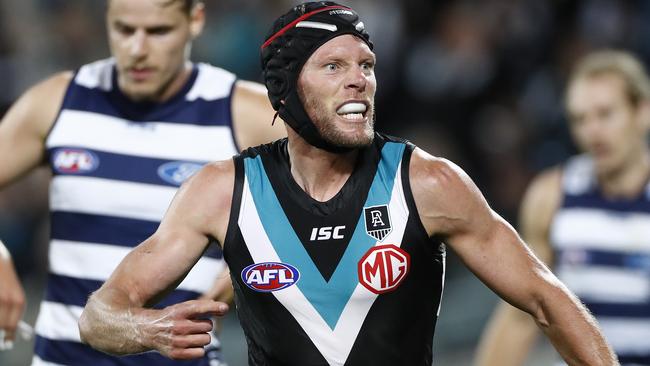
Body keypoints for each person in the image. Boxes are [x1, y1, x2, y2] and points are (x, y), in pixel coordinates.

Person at [78, 2, 619, 365]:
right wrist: (146, 331)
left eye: (366, 63)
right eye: (334, 66)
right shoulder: (223, 192)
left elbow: (549, 301)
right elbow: (99, 315)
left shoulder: (427, 182)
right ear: (285, 89)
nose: (360, 78)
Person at [0, 0, 285, 365]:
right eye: (124, 29)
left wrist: (247, 265)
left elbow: (336, 199)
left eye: (157, 31)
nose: (137, 49)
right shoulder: (60, 102)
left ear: (195, 19)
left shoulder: (245, 113)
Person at [475, 50, 650, 365]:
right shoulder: (551, 196)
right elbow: (522, 312)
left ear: (642, 111)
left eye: (605, 114)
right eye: (580, 119)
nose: (592, 131)